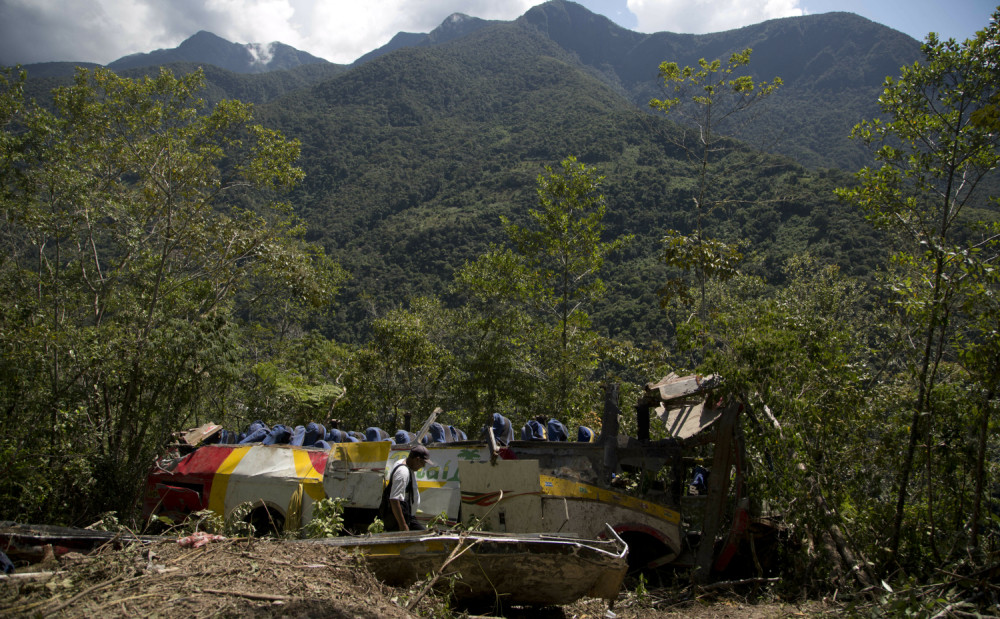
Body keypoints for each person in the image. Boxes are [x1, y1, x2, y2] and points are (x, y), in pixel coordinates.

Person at [381, 445, 434, 531]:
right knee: (421, 539)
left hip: (407, 516)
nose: (423, 466)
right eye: (423, 463)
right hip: (399, 519)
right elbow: (394, 499)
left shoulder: (403, 463)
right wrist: (403, 525)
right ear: (417, 459)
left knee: (422, 536)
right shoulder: (403, 472)